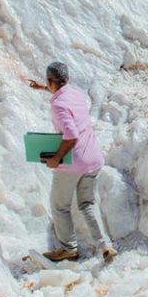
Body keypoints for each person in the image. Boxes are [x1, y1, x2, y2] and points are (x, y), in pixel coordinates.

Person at [28, 62, 117, 263]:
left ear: (51, 81)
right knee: (87, 203)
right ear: (66, 80)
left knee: (60, 205)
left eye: (47, 82)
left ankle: (68, 248)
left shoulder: (58, 105)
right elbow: (60, 93)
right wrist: (42, 88)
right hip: (93, 158)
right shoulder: (76, 93)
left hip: (73, 162)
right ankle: (105, 246)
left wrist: (56, 159)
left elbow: (71, 135)